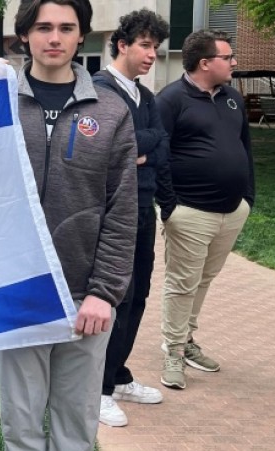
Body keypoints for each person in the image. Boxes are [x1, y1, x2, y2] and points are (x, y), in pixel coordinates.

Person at [0, 0, 137, 451]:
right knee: (21, 422)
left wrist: (105, 291)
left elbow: (124, 211)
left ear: (82, 37)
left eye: (66, 28)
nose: (54, 37)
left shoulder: (111, 109)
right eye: (43, 27)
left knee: (75, 426)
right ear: (25, 35)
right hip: (19, 298)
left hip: (86, 300)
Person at [156, 30, 253, 390]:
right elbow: (157, 157)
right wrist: (169, 208)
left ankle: (187, 338)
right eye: (228, 57)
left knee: (204, 281)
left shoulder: (232, 98)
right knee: (182, 283)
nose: (234, 62)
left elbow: (245, 147)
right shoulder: (170, 100)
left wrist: (248, 197)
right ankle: (174, 350)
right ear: (205, 63)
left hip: (232, 211)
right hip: (190, 212)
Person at [91, 8, 170, 427]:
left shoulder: (146, 97)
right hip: (113, 211)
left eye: (155, 47)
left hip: (144, 207)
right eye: (144, 45)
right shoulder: (101, 91)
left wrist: (142, 148)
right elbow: (111, 148)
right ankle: (98, 388)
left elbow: (157, 144)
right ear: (122, 44)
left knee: (138, 296)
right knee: (115, 299)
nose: (151, 54)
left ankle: (118, 375)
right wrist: (138, 148)